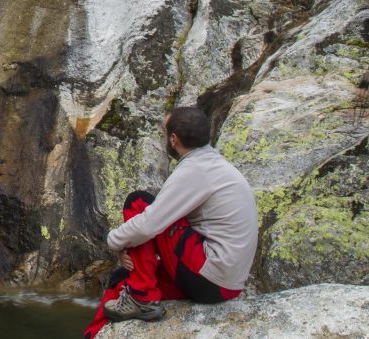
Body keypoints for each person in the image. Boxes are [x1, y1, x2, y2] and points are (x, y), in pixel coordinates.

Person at [83, 106, 257, 338]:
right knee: (120, 280)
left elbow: (149, 224)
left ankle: (142, 297)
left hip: (211, 276)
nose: (164, 138)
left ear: (173, 139)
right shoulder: (213, 164)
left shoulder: (196, 170)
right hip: (226, 285)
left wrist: (114, 241)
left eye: (164, 133)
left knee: (138, 202)